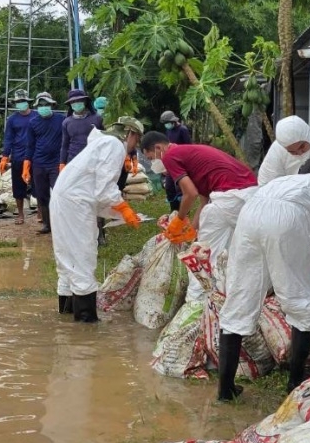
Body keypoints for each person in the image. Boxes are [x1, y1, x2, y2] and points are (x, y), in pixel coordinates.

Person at [218, 156, 310, 402]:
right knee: (301, 302)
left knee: (240, 298)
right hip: (286, 220)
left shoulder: (286, 182)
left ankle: (225, 390)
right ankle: (295, 381)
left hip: (250, 215)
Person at [140, 132, 258, 301]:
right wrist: (192, 230)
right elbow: (204, 201)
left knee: (202, 256)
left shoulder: (170, 155)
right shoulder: (187, 154)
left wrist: (179, 221)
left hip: (229, 198)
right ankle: (233, 297)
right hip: (249, 195)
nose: (153, 163)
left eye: (151, 158)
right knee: (232, 252)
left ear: (158, 148)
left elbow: (190, 194)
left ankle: (195, 303)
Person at [51, 117, 144, 323]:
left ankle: (65, 318)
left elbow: (98, 195)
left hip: (65, 199)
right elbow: (104, 191)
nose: (134, 146)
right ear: (131, 134)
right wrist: (124, 208)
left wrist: (122, 213)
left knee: (67, 257)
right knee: (83, 256)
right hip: (76, 203)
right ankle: (86, 325)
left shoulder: (101, 143)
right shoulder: (114, 145)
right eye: (136, 140)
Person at [27, 91, 64, 235]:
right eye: (41, 105)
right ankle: (47, 225)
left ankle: (61, 224)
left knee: (59, 193)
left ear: (52, 105)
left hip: (56, 163)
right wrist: (27, 164)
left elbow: (66, 142)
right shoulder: (33, 123)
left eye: (46, 104)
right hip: (39, 163)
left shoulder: (61, 120)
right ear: (37, 106)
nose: (43, 107)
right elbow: (30, 145)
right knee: (42, 196)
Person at [0, 89, 37, 225]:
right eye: (18, 101)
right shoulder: (12, 119)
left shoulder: (36, 116)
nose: (21, 103)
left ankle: (41, 213)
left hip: (35, 156)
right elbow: (8, 139)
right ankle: (20, 214)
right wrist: (5, 156)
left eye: (23, 101)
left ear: (28, 101)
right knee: (18, 187)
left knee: (38, 185)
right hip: (18, 156)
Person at [60, 88, 103, 166]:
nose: (76, 103)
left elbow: (105, 139)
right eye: (73, 101)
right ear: (70, 104)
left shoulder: (97, 118)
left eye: (79, 100)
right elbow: (65, 145)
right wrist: (62, 163)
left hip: (94, 159)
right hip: (73, 160)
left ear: (85, 102)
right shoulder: (66, 122)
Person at [158, 110, 191, 211]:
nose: (166, 125)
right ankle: (174, 210)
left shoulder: (183, 130)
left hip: (181, 162)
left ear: (173, 121)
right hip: (170, 161)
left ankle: (183, 211)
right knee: (169, 187)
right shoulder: (169, 130)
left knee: (180, 189)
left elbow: (188, 147)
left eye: (167, 123)